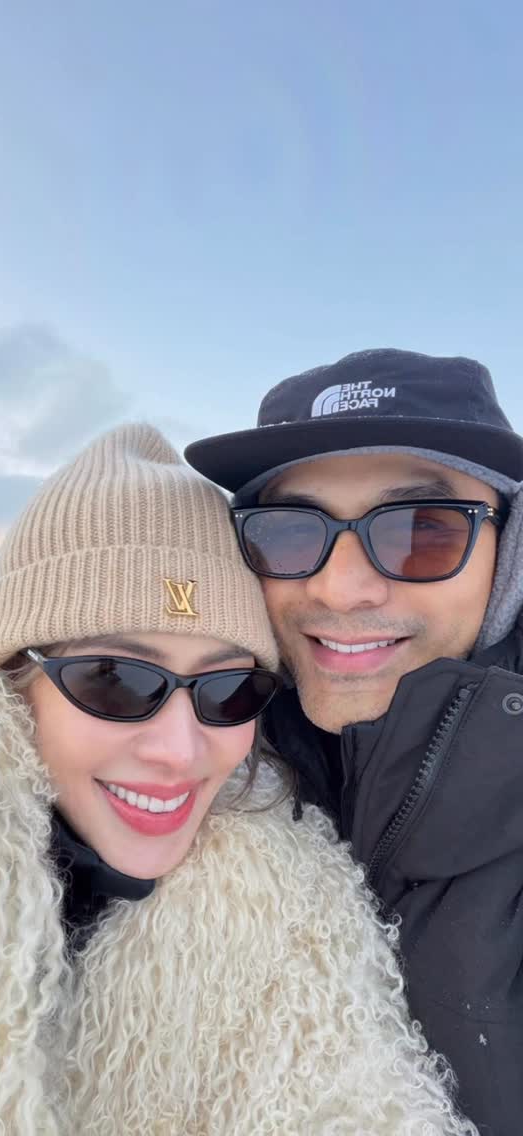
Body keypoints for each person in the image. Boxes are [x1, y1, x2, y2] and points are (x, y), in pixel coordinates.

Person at [0, 423, 475, 1135]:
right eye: (114, 679)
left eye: (228, 690)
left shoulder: (296, 930)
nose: (178, 749)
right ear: (13, 685)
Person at [186, 348, 523, 1136]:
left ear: (508, 556)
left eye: (423, 531)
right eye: (287, 531)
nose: (341, 588)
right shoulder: (196, 768)